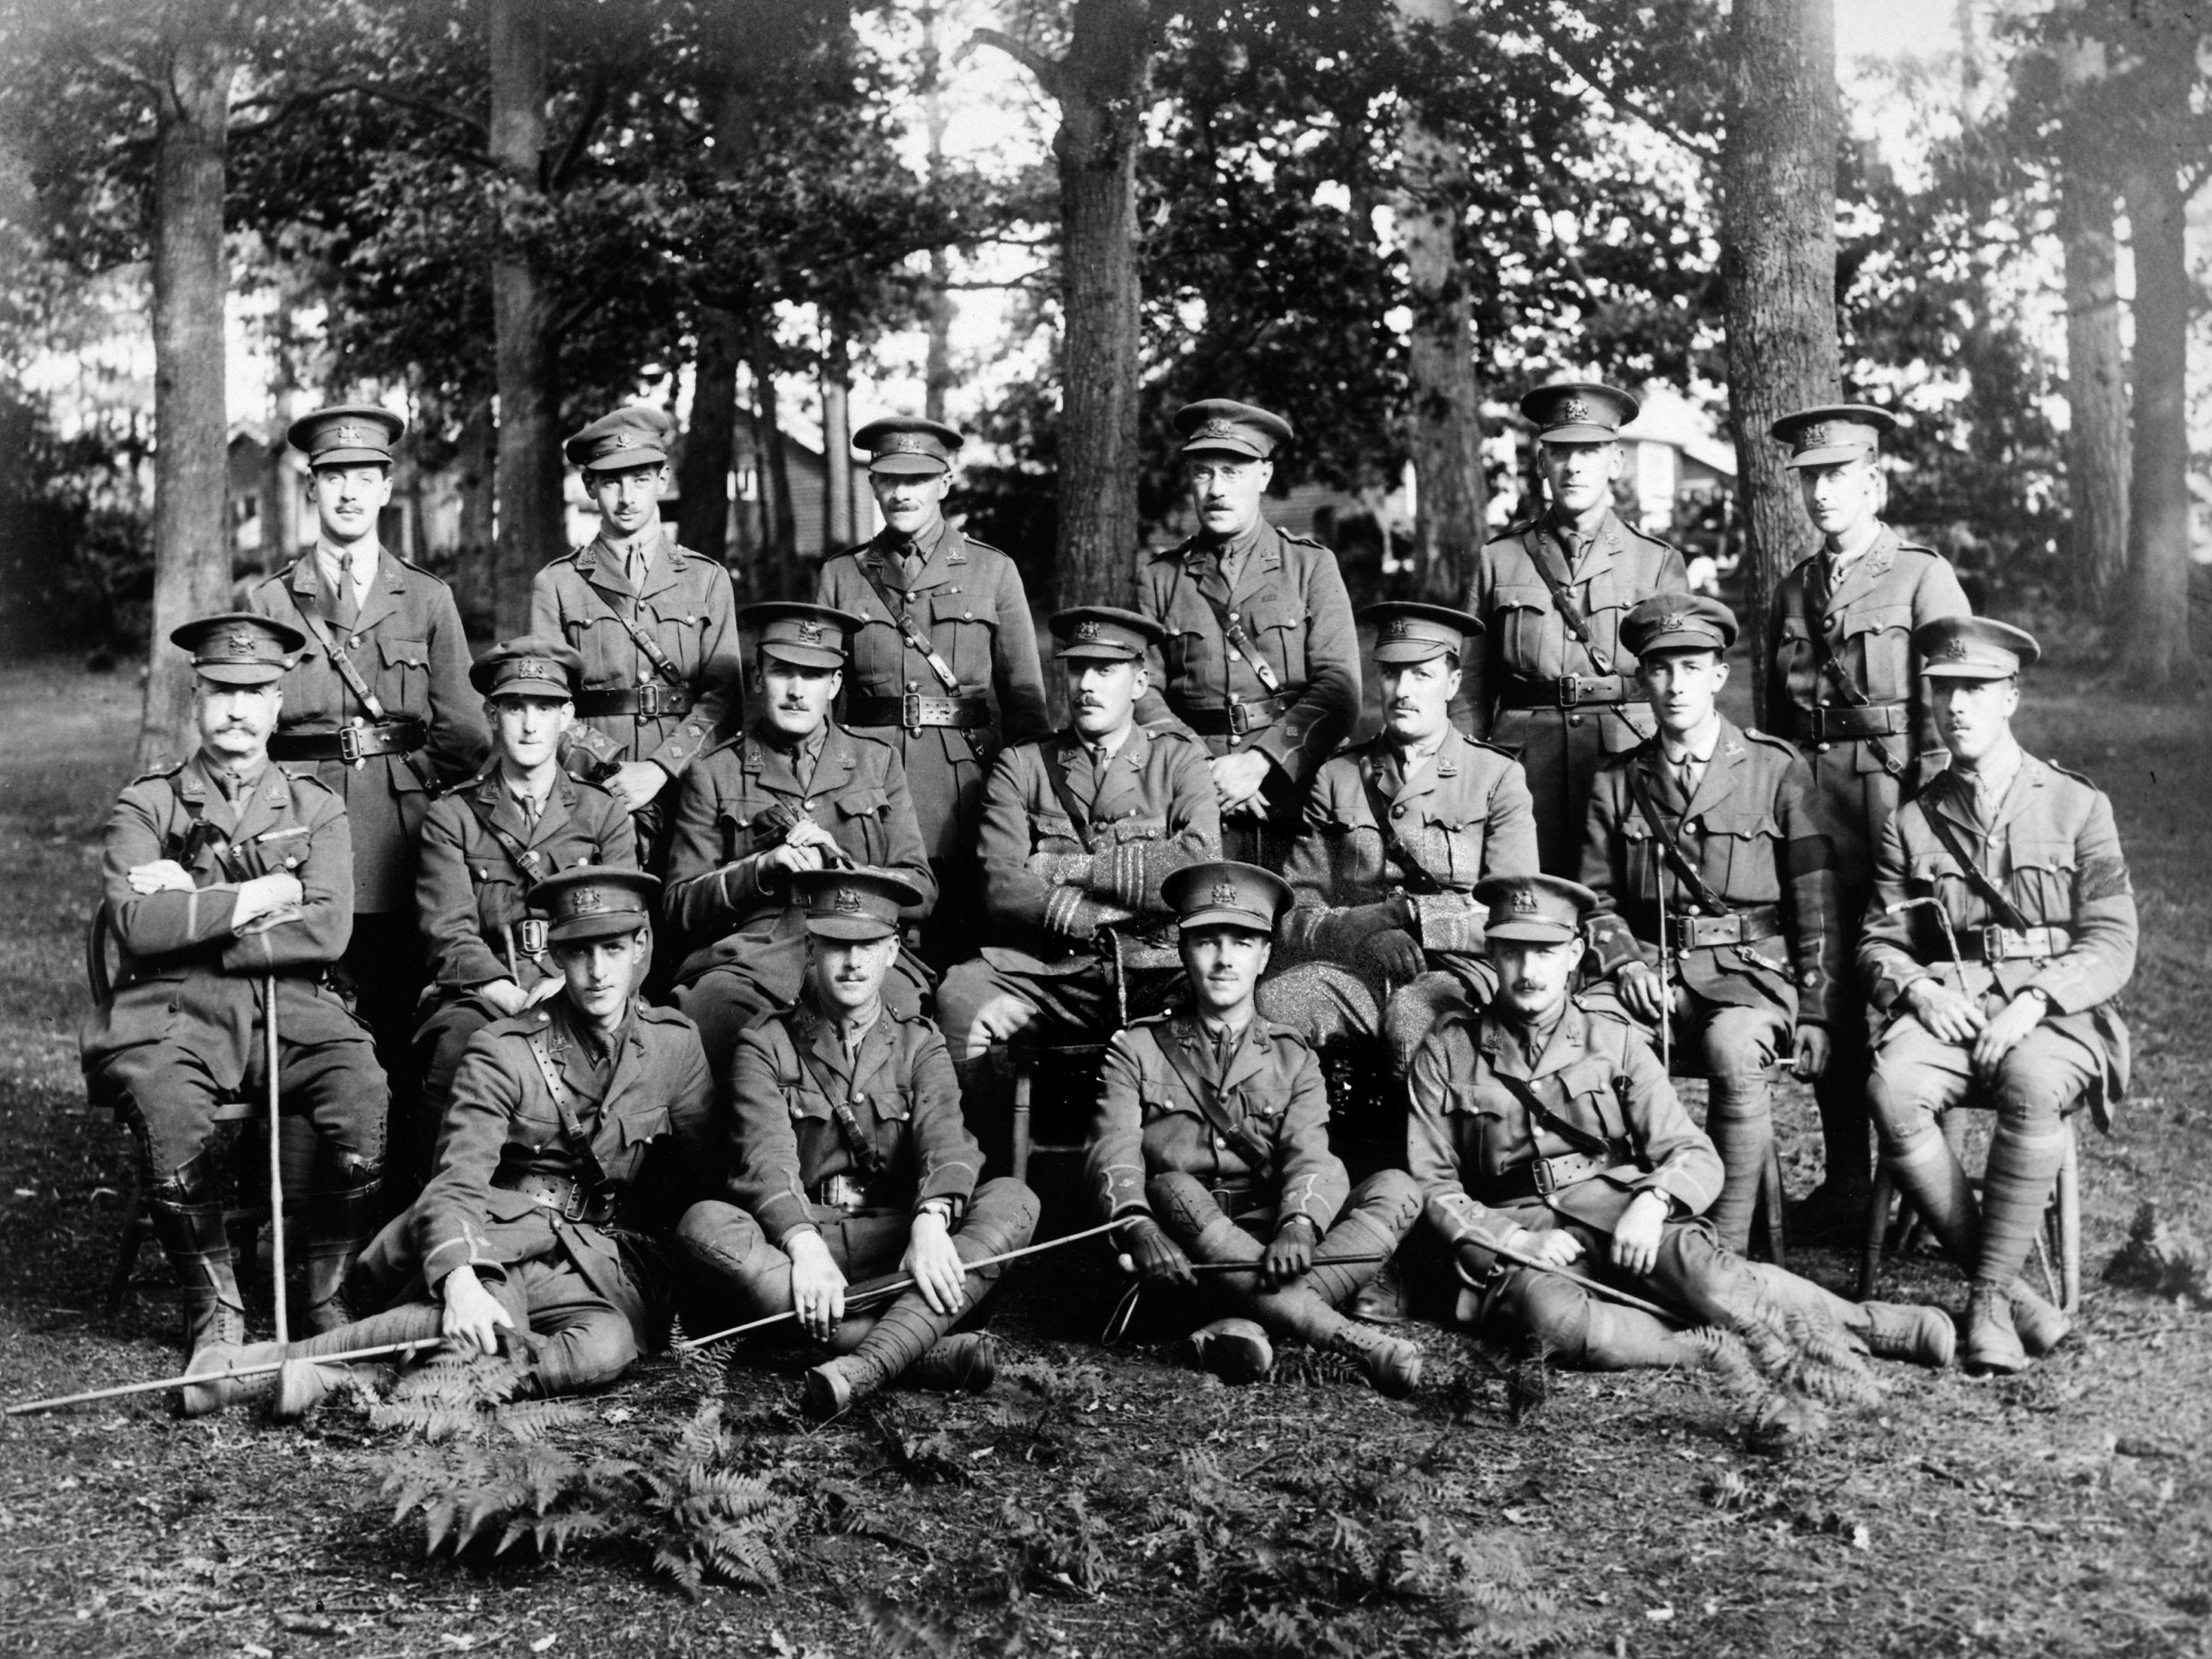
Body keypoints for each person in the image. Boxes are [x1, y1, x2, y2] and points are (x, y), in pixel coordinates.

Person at [181, 867, 718, 1417]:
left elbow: (700, 1178)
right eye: (579, 952)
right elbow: (455, 1182)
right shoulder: (504, 1049)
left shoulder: (674, 1045)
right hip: (494, 1241)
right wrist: (461, 1279)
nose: (598, 971)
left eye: (612, 948)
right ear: (555, 956)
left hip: (590, 1260)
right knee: (486, 1325)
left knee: (607, 1347)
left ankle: (352, 1378)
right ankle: (257, 1369)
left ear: (641, 945)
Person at [1408, 875, 1955, 1377]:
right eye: (1512, 953)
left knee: (1712, 1278)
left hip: (1613, 1211)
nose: (1528, 973)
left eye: (1545, 953)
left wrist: (1653, 1205)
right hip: (1518, 1232)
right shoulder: (1449, 1049)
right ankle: (1718, 1351)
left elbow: (1690, 1151)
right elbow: (1430, 1182)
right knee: (1558, 1324)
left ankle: (1871, 1324)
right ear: (1492, 953)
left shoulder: (1612, 1040)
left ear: (1574, 955)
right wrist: (1515, 1239)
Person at [83, 614, 388, 1356]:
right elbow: (139, 927)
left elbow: (327, 929)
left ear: (281, 702)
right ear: (196, 696)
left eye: (257, 692)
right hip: (173, 1009)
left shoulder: (317, 804)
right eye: (222, 690)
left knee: (359, 1081)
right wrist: (261, 895)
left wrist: (194, 898)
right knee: (167, 1096)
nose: (239, 710)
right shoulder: (147, 805)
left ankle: (323, 1292)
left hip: (291, 1005)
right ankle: (214, 1306)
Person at [1860, 617, 2135, 1374]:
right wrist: (1915, 985)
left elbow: (2111, 939)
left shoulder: (2079, 807)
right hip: (1950, 1002)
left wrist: (2037, 1001)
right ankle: (2015, 1296)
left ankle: (1985, 1297)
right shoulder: (1912, 821)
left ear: (2010, 696)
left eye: (1975, 689)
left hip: (2054, 1008)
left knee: (2033, 1082)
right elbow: (1878, 938)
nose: (1956, 706)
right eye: (1944, 689)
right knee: (1893, 1087)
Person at [676, 869, 1041, 1419]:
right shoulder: (765, 1044)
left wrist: (931, 1220)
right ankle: (910, 1348)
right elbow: (766, 1162)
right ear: (811, 949)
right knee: (705, 1225)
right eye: (837, 945)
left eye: (868, 945)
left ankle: (854, 1353)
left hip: (896, 1243)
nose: (853, 962)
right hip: (804, 1244)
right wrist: (803, 1246)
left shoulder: (919, 1042)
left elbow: (947, 1139)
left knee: (1013, 1199)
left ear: (893, 951)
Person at [246, 405, 487, 1161]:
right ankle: (318, 1202)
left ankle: (404, 1201)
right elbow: (252, 736)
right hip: (301, 846)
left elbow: (466, 733)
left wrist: (422, 807)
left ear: (386, 489)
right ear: (310, 488)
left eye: (364, 477)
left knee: (401, 1021)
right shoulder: (271, 603)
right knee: (308, 1020)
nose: (348, 492)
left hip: (403, 841)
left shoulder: (426, 598)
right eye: (332, 477)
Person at [1086, 861, 1425, 1397]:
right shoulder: (1139, 1048)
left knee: (1398, 1190)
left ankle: (1247, 1321)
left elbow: (1311, 1157)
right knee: (1171, 1186)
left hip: (1275, 1246)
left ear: (1265, 955)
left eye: (1242, 942)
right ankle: (1346, 1339)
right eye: (1206, 942)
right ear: (1182, 949)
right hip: (1183, 1256)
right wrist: (1139, 1229)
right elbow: (1113, 1152)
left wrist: (1300, 1224)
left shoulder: (1293, 1055)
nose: (1224, 960)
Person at [1577, 596, 1846, 1253]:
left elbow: (1815, 900)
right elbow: (1594, 896)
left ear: (1719, 676)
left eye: (1691, 668)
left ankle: (1719, 1247)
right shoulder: (1617, 781)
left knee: (1733, 1048)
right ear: (1642, 679)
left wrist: (1815, 1009)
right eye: (1661, 670)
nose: (1675, 686)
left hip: (1752, 977)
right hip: (1651, 974)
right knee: (1586, 1033)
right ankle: (1611, 1216)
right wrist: (1627, 963)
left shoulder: (1775, 769)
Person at [1762, 404, 1971, 1235]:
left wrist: (1929, 824)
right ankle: (1851, 1180)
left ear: (1874, 481)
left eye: (1838, 476)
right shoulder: (1792, 589)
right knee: (1833, 988)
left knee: (1918, 976)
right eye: (1810, 478)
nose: (1821, 493)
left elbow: (1952, 714)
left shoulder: (1922, 576)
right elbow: (1777, 723)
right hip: (1817, 808)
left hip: (1898, 802)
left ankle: (1921, 1185)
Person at [936, 607, 1220, 1117]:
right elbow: (1003, 885)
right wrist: (1096, 916)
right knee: (960, 994)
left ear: (1139, 682)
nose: (1085, 685)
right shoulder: (1022, 765)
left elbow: (1197, 867)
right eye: (1075, 669)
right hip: (1056, 975)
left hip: (1159, 974)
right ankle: (990, 1161)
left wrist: (1067, 869)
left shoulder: (1179, 761)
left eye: (1104, 671)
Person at [814, 416, 1049, 972]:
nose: (901, 493)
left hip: (963, 787)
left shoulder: (992, 571)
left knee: (961, 943)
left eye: (917, 479)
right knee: (867, 939)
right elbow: (821, 704)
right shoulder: (841, 577)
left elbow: (1026, 703)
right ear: (872, 485)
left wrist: (1034, 806)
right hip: (867, 789)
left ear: (944, 482)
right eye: (888, 479)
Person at [1267, 601, 1539, 1078]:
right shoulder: (1337, 776)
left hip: (1462, 973)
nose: (1403, 691)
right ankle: (1309, 1150)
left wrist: (1409, 919)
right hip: (1359, 967)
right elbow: (1296, 908)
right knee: (1277, 1002)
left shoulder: (1496, 777)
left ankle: (1424, 1154)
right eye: (1392, 674)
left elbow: (1515, 912)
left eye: (1422, 675)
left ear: (1453, 684)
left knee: (1415, 1016)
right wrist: (1364, 934)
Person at [664, 602, 934, 1078]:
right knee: (710, 1013)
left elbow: (921, 890)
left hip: (860, 950)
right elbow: (678, 906)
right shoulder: (714, 772)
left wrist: (844, 868)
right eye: (782, 671)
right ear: (756, 677)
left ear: (834, 685)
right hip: (752, 962)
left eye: (813, 675)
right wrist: (761, 869)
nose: (795, 690)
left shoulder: (878, 763)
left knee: (899, 1017)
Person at [410, 638, 635, 1190]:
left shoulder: (603, 814)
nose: (530, 725)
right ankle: (446, 1213)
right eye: (514, 707)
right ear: (491, 715)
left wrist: (569, 992)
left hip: (585, 990)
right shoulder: (453, 816)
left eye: (544, 708)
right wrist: (510, 996)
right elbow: (449, 935)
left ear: (568, 717)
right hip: (489, 999)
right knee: (455, 1047)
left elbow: (633, 930)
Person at [1460, 381, 1687, 875]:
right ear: (1542, 462)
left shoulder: (1654, 563)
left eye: (1590, 450)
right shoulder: (1498, 559)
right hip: (1523, 768)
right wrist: (1469, 780)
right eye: (1561, 451)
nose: (1575, 465)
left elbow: (1679, 682)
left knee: (1625, 897)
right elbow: (1471, 691)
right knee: (1529, 904)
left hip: (1626, 761)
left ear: (1616, 462)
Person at [1131, 399, 1360, 866]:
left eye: (1232, 471)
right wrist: (1203, 769)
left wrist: (1261, 763)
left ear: (1264, 476)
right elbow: (1141, 690)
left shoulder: (1309, 566)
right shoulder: (1160, 578)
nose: (1216, 489)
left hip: (1293, 782)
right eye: (1202, 472)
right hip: (1193, 788)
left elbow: (1339, 688)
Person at [530, 405, 746, 868]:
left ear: (663, 479)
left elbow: (725, 696)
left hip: (694, 786)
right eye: (611, 481)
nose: (627, 497)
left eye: (640, 479)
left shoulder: (707, 579)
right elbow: (547, 703)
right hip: (595, 791)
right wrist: (612, 768)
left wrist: (660, 768)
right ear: (590, 486)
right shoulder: (558, 584)